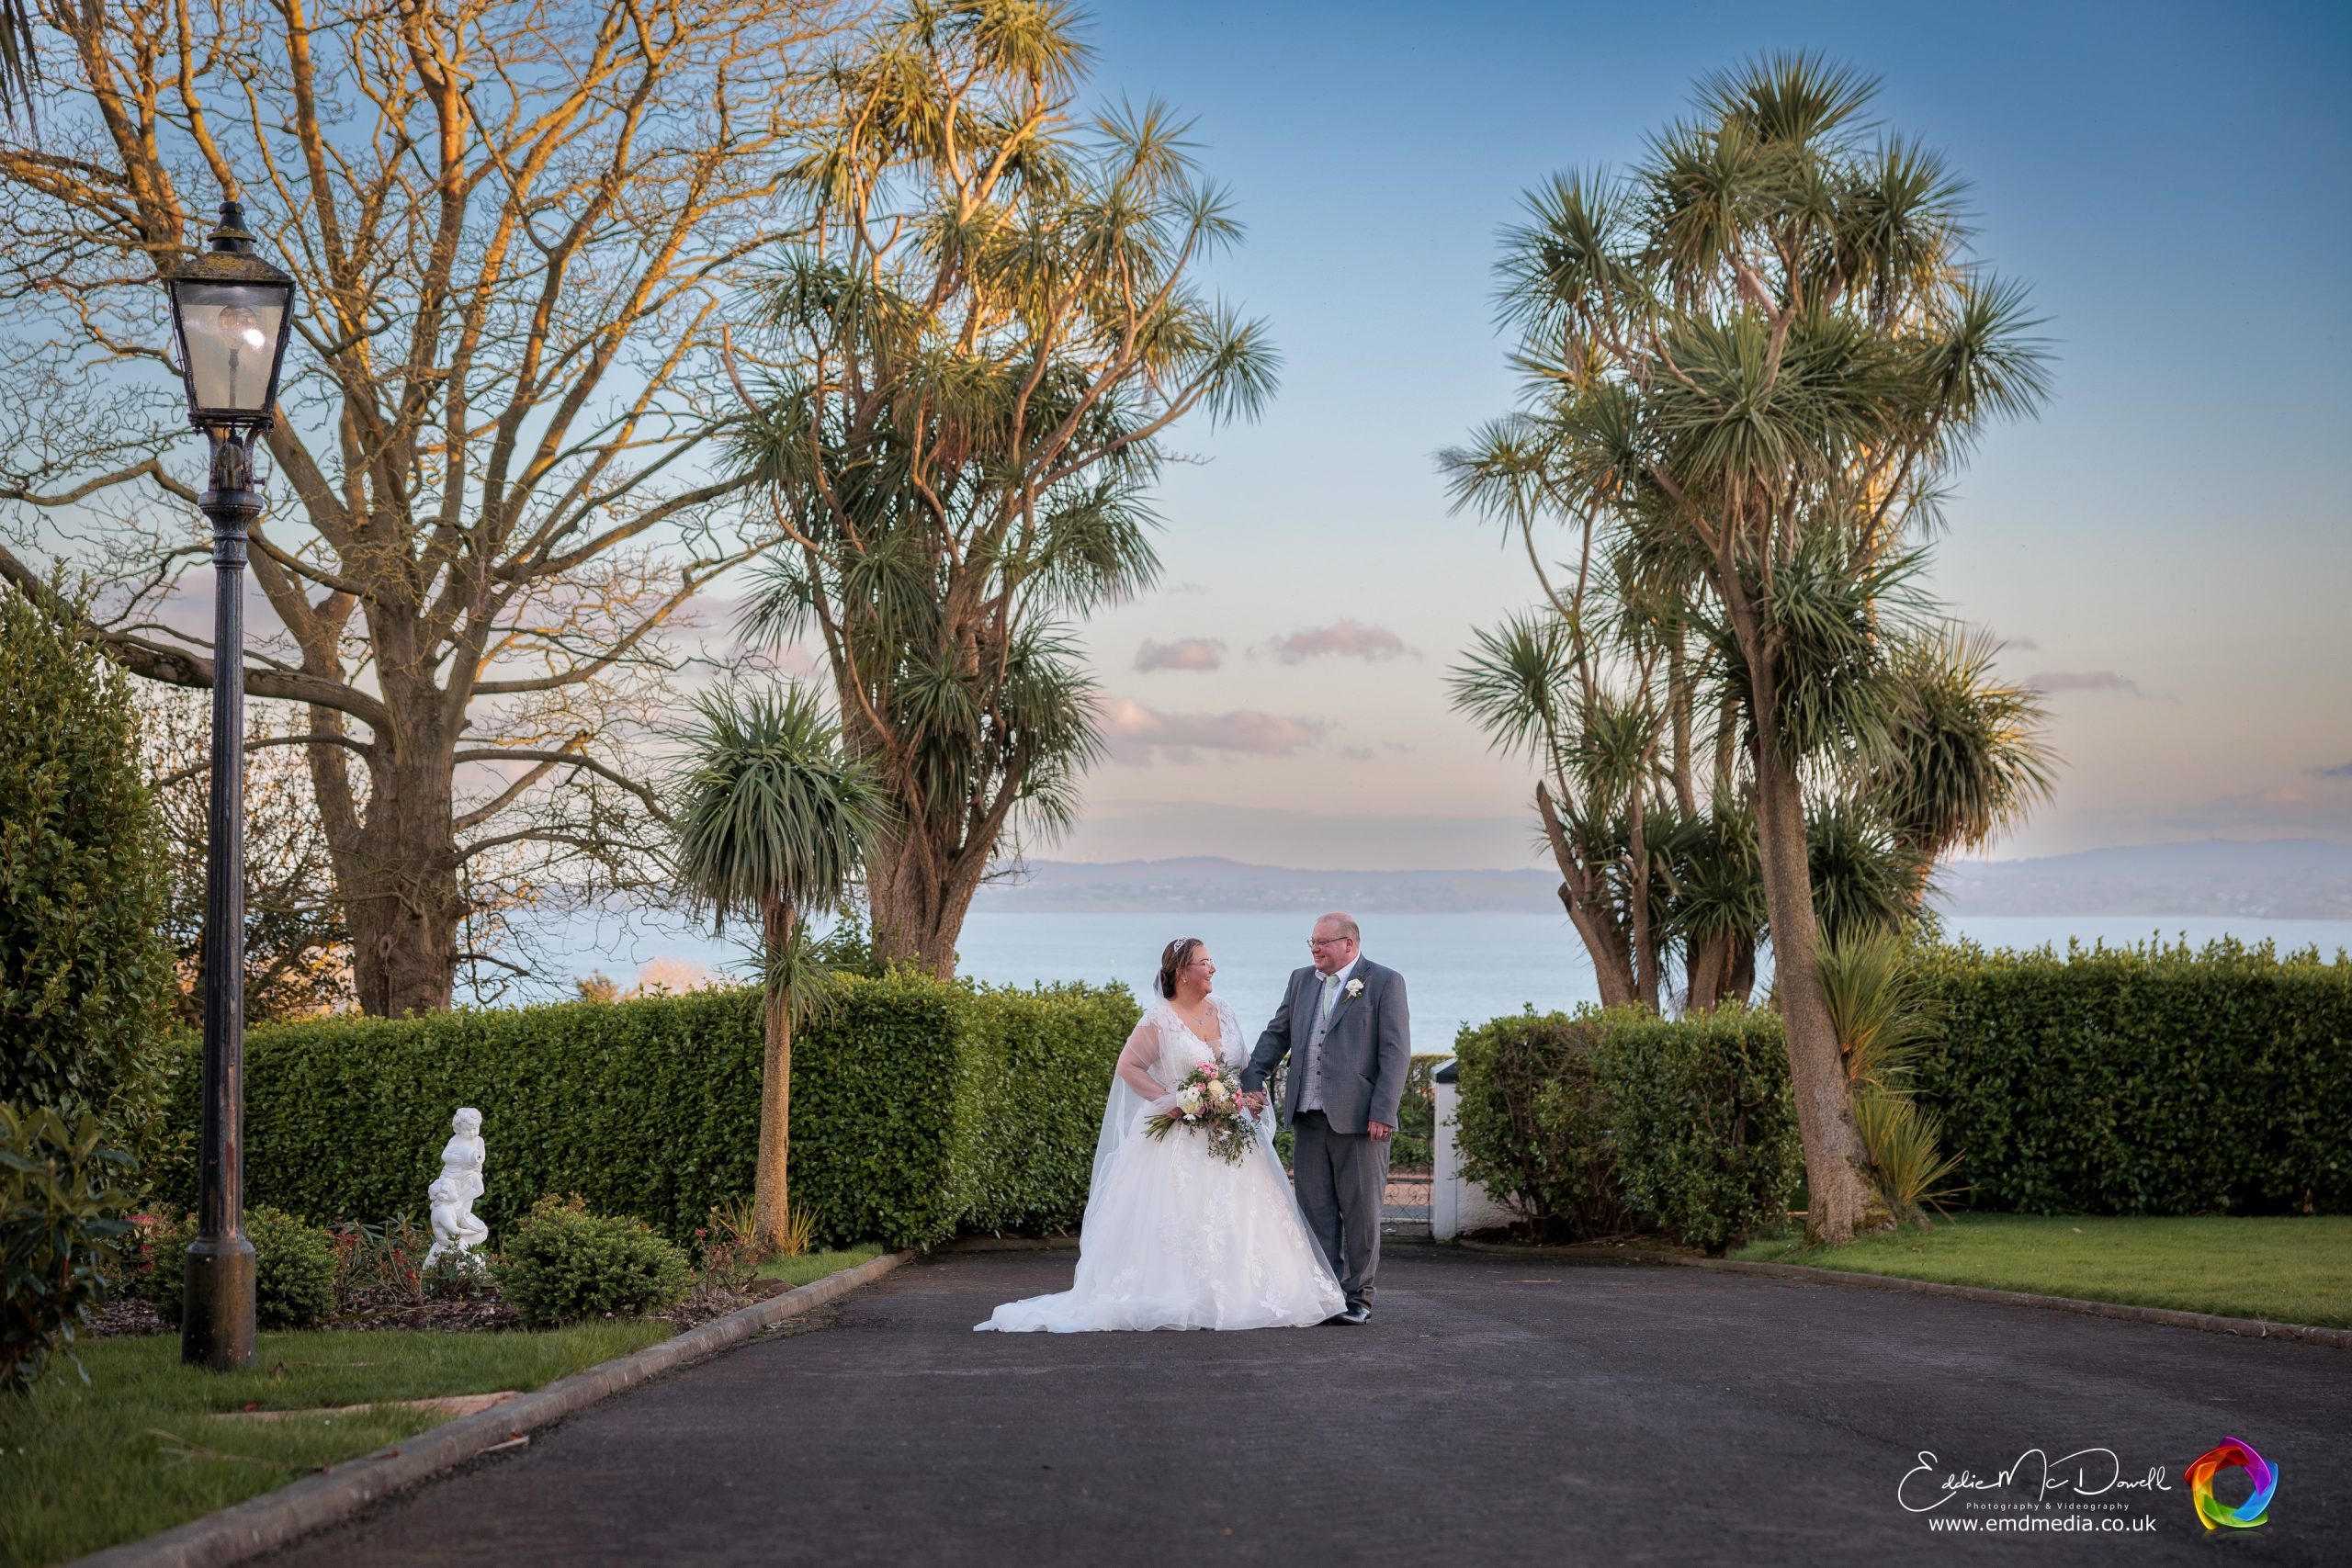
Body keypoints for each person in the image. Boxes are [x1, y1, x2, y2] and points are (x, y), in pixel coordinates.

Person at [976, 938, 1344, 1332]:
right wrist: (1173, 1100)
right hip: (1180, 1140)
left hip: (1229, 1136)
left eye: (1212, 961)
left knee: (1244, 1217)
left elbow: (1244, 1063)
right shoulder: (1159, 1018)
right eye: (1205, 962)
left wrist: (1247, 1095)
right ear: (1182, 972)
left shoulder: (1223, 1009)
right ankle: (1181, 1294)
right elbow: (1129, 1067)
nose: (1213, 969)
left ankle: (1246, 1292)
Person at [1239, 912, 1408, 1325]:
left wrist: (1383, 1111)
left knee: (1361, 1212)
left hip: (1360, 1121)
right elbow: (1277, 1035)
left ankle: (1359, 1298)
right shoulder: (1300, 980)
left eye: (1323, 942)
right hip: (1308, 1116)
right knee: (1315, 1211)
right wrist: (1251, 1076)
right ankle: (1326, 1292)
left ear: (1349, 944)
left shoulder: (1384, 981)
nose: (1315, 949)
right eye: (1311, 942)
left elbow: (1396, 1051)